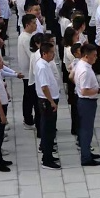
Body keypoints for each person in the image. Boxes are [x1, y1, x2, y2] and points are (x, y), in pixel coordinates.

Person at [74, 44, 100, 166]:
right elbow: (84, 90)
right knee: (86, 130)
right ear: (86, 56)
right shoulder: (85, 70)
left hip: (86, 101)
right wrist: (98, 90)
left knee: (87, 129)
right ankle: (86, 158)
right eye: (94, 56)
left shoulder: (82, 64)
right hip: (87, 102)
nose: (96, 58)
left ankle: (87, 152)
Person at [35, 42, 61, 170]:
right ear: (44, 53)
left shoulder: (45, 64)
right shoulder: (42, 67)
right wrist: (51, 101)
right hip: (46, 101)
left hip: (50, 100)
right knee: (48, 130)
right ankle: (47, 159)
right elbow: (44, 87)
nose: (53, 54)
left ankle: (49, 154)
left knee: (51, 129)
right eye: (51, 52)